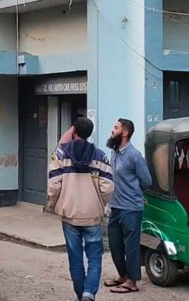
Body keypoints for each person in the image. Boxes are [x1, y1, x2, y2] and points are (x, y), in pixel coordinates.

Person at [48, 117, 114, 301]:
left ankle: (81, 296)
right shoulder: (101, 156)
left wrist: (54, 204)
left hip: (69, 215)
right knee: (94, 257)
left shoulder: (60, 155)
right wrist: (100, 204)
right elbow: (107, 187)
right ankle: (89, 294)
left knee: (75, 258)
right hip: (92, 216)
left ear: (74, 131)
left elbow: (53, 185)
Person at [104, 119, 152, 295]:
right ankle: (122, 275)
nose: (112, 130)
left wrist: (135, 193)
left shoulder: (135, 156)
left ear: (124, 133)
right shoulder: (115, 152)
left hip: (131, 208)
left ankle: (132, 281)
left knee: (131, 245)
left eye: (115, 128)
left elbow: (147, 181)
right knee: (115, 243)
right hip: (115, 205)